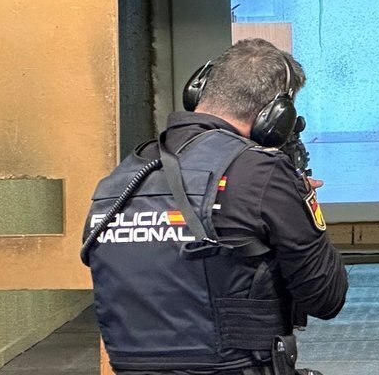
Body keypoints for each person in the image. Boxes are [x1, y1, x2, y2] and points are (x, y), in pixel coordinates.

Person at [83, 38, 347, 375]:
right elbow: (326, 298)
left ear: (198, 90)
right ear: (275, 116)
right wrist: (303, 201)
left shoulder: (121, 178)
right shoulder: (261, 172)